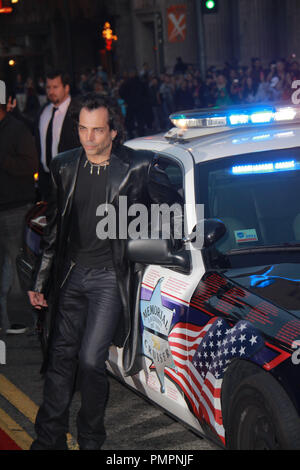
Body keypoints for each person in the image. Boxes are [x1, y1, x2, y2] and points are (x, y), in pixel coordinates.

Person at [28, 93, 182, 450]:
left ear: (113, 131)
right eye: (83, 129)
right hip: (71, 276)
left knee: (89, 361)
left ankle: (91, 440)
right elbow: (54, 230)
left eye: (98, 130)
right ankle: (47, 440)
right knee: (59, 358)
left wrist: (146, 236)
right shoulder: (64, 166)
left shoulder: (137, 167)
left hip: (109, 281)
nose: (89, 138)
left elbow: (174, 214)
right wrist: (41, 280)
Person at [0, 103, 38, 334]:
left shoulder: (17, 130)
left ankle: (23, 320)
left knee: (17, 267)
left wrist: (4, 160)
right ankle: (5, 322)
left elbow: (30, 164)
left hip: (15, 207)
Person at [35, 70, 80, 200]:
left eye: (55, 87)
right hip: (46, 181)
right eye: (48, 87)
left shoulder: (78, 111)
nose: (51, 91)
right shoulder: (43, 111)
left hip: (71, 182)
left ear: (66, 88)